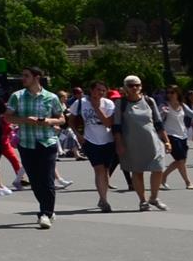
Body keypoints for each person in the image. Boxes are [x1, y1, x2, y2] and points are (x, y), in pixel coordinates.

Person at [7, 65, 64, 228]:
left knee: (47, 179)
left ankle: (45, 213)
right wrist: (25, 120)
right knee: (35, 180)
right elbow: (8, 117)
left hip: (47, 142)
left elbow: (61, 119)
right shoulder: (17, 96)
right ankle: (48, 209)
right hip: (26, 143)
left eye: (26, 76)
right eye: (23, 75)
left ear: (36, 78)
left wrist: (48, 121)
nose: (23, 79)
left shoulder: (51, 97)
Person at [114, 77, 168, 210]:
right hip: (132, 143)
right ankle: (143, 201)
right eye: (131, 85)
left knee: (158, 168)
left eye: (137, 85)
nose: (134, 88)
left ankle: (154, 197)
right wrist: (119, 144)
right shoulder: (121, 103)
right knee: (137, 171)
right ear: (125, 87)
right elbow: (117, 126)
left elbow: (158, 123)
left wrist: (166, 141)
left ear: (141, 86)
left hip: (153, 141)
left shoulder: (149, 101)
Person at [70, 78, 119, 211]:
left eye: (103, 90)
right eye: (98, 89)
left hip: (108, 141)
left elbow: (108, 123)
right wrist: (78, 135)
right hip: (90, 140)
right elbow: (71, 120)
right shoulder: (80, 103)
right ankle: (104, 200)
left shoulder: (108, 103)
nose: (101, 92)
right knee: (99, 169)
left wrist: (97, 107)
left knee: (106, 170)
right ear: (91, 90)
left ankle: (103, 197)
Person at [159, 86, 193, 192]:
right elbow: (157, 119)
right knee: (180, 160)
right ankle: (188, 182)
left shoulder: (182, 105)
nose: (169, 94)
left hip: (183, 135)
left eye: (172, 92)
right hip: (170, 135)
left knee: (181, 161)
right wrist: (163, 113)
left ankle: (163, 176)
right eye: (168, 92)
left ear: (177, 93)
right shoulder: (164, 105)